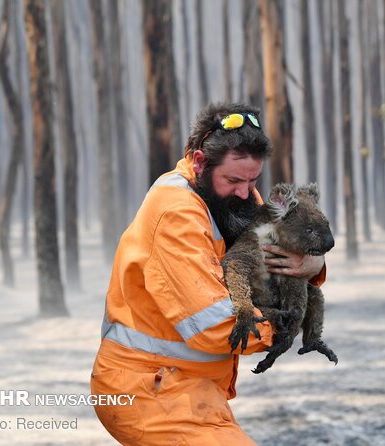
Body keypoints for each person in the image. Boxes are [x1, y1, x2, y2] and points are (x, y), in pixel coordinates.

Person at [90, 102, 327, 445]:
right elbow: (214, 325)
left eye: (253, 180)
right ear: (201, 162)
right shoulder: (176, 214)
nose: (247, 192)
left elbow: (281, 250)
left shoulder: (231, 196)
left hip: (191, 389)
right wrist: (285, 325)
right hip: (148, 390)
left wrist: (314, 267)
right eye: (234, 180)